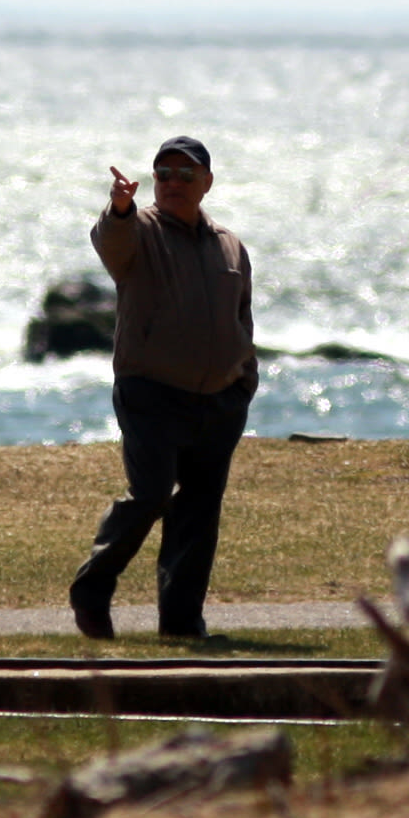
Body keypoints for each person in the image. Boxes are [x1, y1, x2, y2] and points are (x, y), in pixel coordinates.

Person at [68, 134, 256, 641]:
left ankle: (181, 622)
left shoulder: (229, 244)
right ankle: (93, 587)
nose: (173, 183)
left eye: (185, 175)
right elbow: (112, 243)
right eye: (164, 174)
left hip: (218, 400)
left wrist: (242, 383)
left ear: (207, 183)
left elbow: (242, 318)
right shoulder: (140, 230)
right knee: (149, 495)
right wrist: (120, 207)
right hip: (151, 390)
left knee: (199, 510)